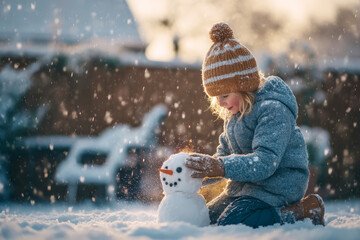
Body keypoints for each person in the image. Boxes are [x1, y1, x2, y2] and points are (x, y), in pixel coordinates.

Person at [185, 22, 325, 228]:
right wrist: (197, 172)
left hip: (277, 186)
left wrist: (220, 167)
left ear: (244, 86)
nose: (221, 103)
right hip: (246, 188)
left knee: (232, 223)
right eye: (216, 97)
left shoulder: (273, 109)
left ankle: (301, 210)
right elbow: (223, 155)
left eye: (225, 95)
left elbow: (264, 163)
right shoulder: (234, 116)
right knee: (205, 216)